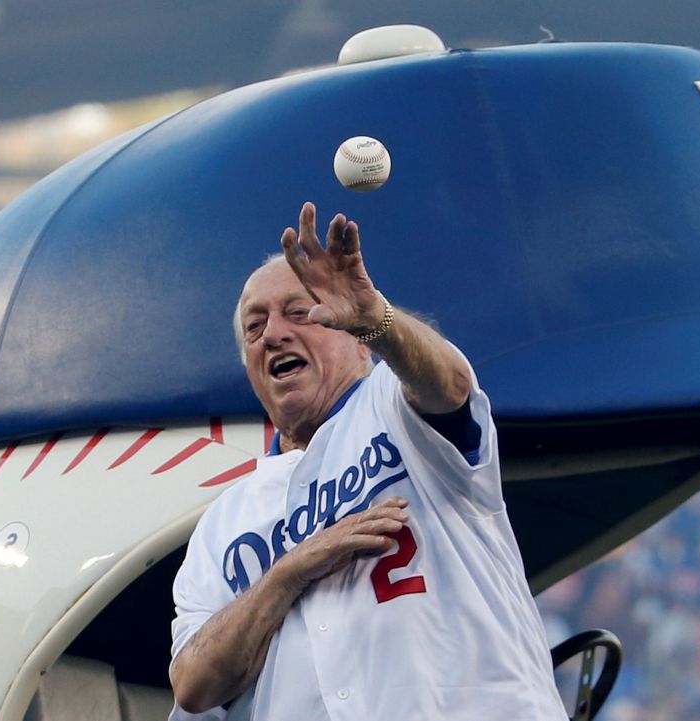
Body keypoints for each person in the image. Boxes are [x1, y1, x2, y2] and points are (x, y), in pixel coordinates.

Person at [168, 202, 567, 720]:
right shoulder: (224, 521)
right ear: (248, 364)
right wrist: (288, 573)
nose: (273, 334)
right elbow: (193, 686)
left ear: (357, 344)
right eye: (254, 326)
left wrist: (376, 321)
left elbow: (448, 385)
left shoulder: (393, 406)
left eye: (299, 311)